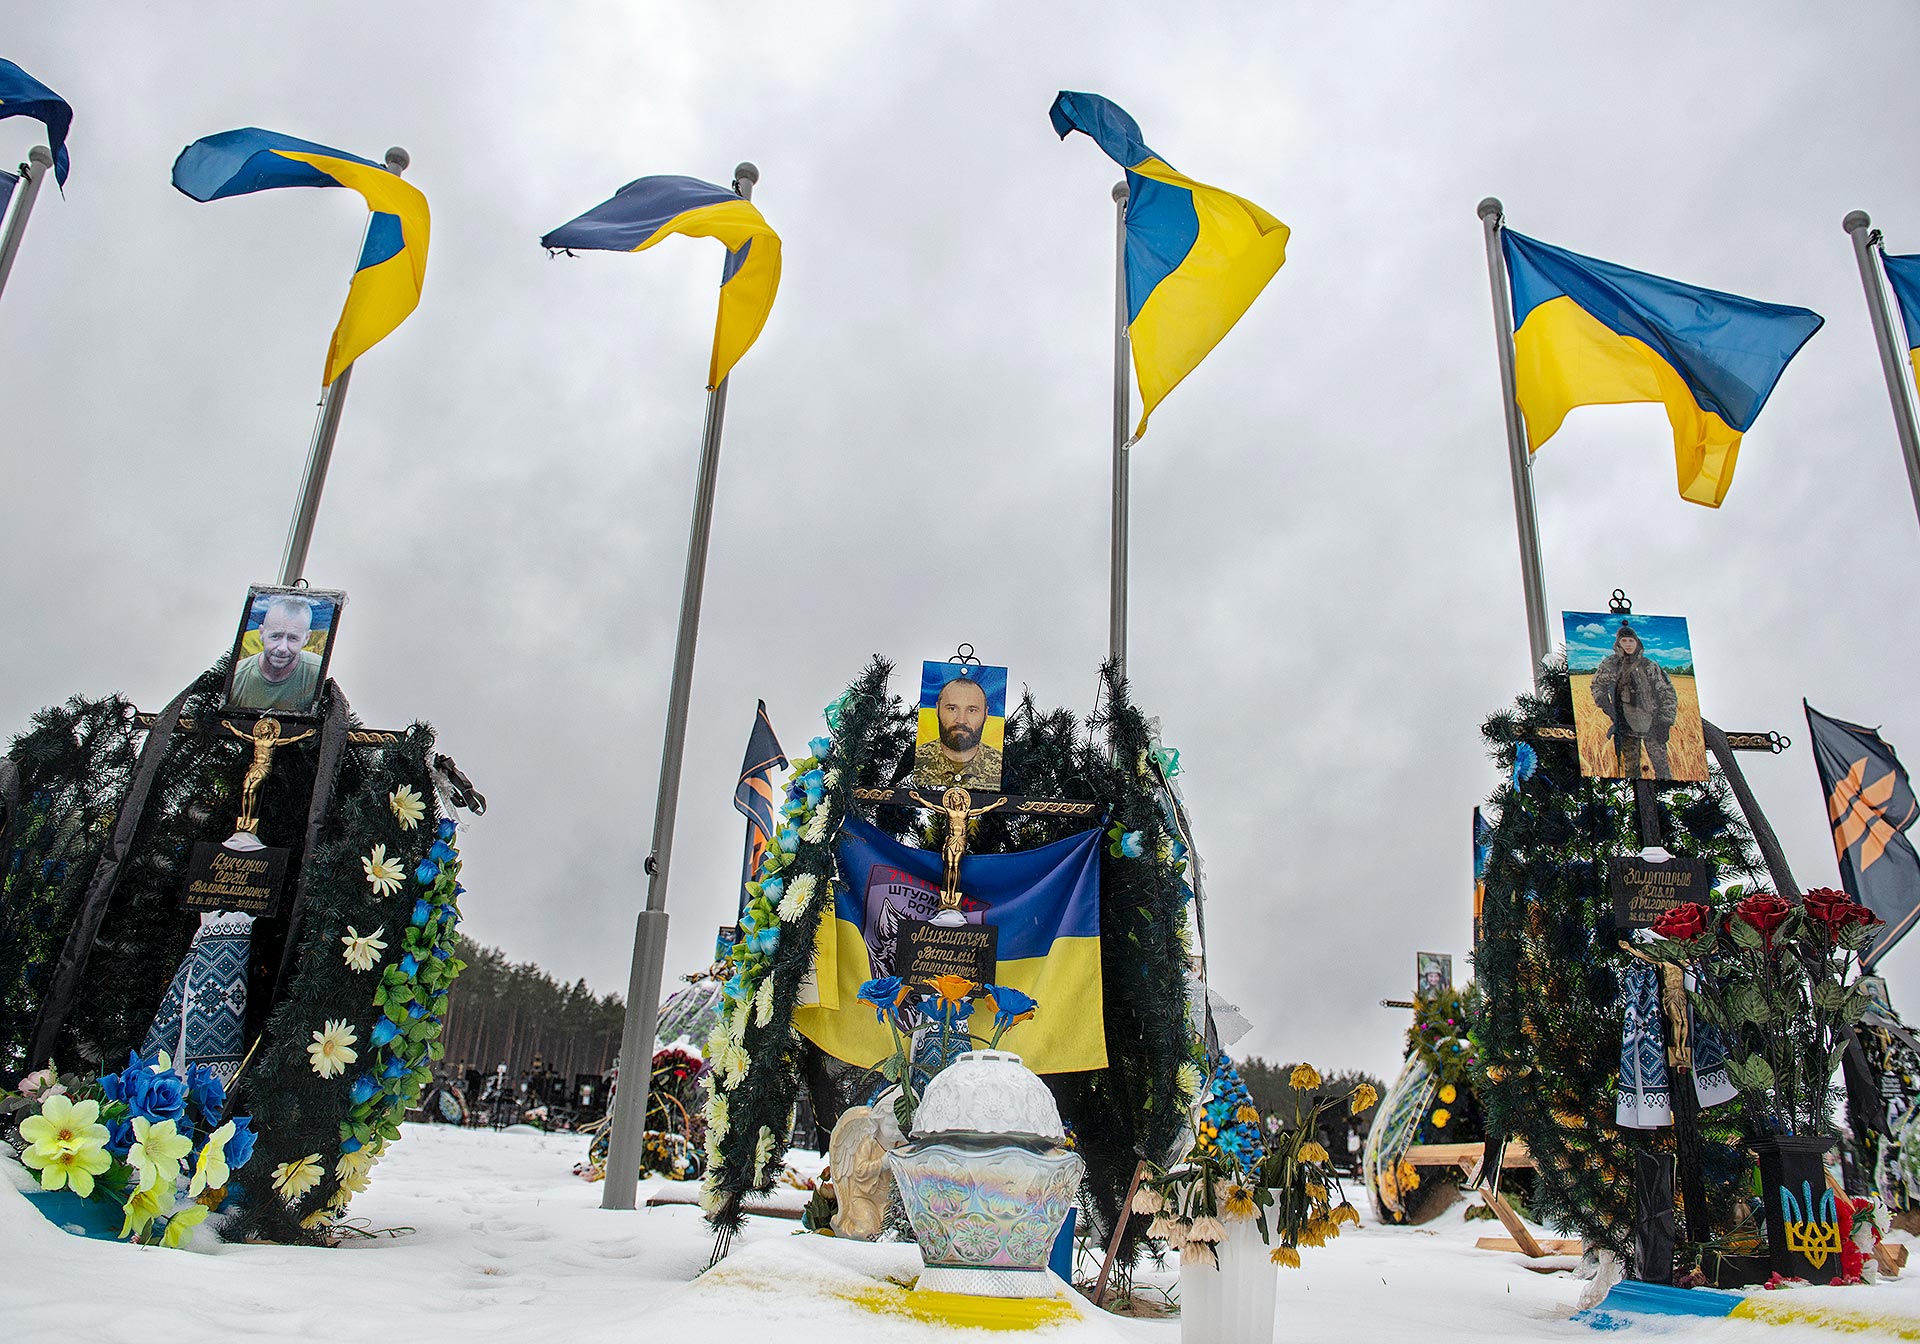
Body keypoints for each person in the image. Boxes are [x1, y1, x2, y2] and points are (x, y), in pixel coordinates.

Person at [1589, 622, 1677, 781]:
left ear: (1637, 642)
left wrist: (1665, 722)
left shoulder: (1649, 665)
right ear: (1618, 643)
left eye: (1631, 641)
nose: (1628, 644)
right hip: (1625, 725)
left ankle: (1662, 797)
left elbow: (1667, 692)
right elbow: (1597, 687)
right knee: (1631, 770)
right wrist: (1610, 710)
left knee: (1662, 768)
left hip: (1653, 723)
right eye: (1624, 641)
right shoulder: (1610, 664)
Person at [229, 594, 325, 712]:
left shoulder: (319, 673)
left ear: (306, 638)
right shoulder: (236, 677)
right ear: (261, 633)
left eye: (293, 638)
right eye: (275, 636)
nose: (282, 648)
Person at [913, 675, 1002, 789]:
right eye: (952, 708)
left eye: (972, 710)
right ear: (937, 709)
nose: (961, 720)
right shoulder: (917, 760)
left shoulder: (1001, 765)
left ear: (985, 714)